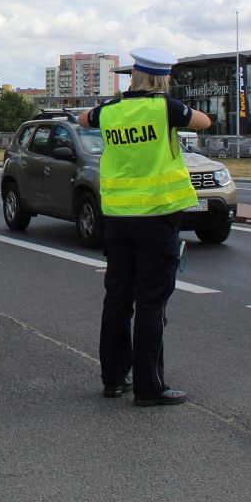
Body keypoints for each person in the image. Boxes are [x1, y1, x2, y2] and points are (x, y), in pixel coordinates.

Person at [78, 48, 211, 405]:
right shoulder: (165, 109)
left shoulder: (111, 111)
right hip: (158, 218)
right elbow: (203, 122)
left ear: (134, 77)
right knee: (151, 301)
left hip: (119, 220)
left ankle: (112, 379)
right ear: (163, 79)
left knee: (117, 298)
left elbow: (82, 119)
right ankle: (149, 387)